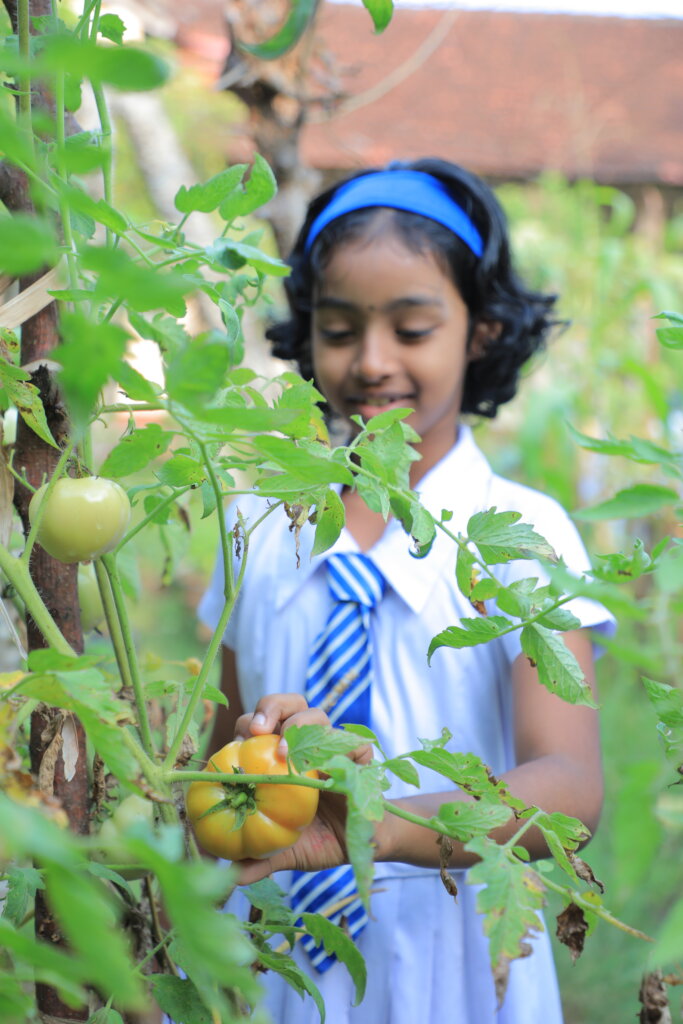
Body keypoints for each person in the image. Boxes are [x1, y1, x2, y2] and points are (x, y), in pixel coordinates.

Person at [198, 158, 614, 1024]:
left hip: (457, 965)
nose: (371, 361)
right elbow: (213, 764)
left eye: (413, 328)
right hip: (271, 963)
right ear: (306, 335)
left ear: (481, 331)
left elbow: (571, 785)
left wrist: (378, 823)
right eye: (340, 329)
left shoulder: (520, 539)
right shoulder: (258, 524)